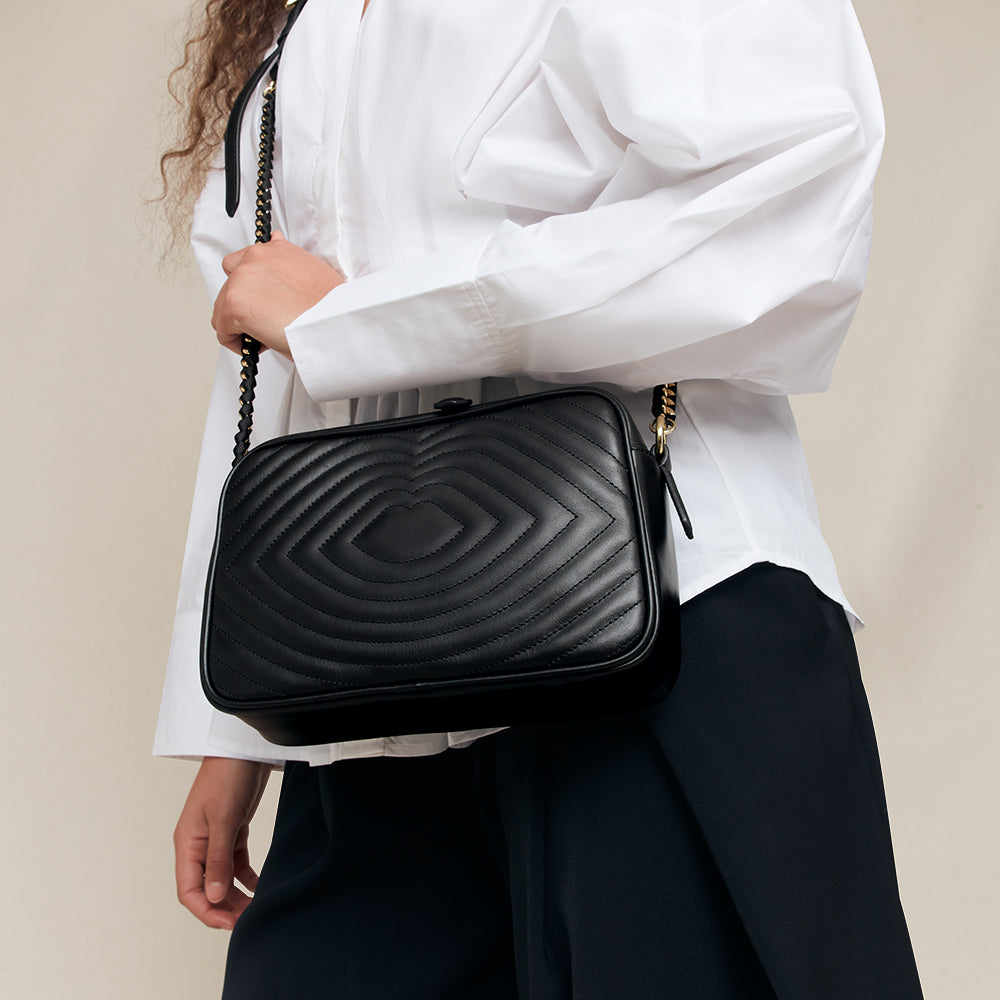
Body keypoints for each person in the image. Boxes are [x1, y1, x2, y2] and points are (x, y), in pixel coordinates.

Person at [156, 0, 924, 996]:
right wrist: (233, 725)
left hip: (657, 626)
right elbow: (274, 347)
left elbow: (786, 215)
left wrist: (364, 319)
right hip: (369, 672)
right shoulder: (301, 18)